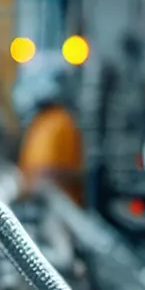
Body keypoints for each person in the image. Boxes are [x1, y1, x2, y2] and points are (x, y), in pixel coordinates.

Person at [14, 53, 85, 204]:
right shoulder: (40, 123)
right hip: (44, 205)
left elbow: (62, 172)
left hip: (61, 208)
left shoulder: (61, 122)